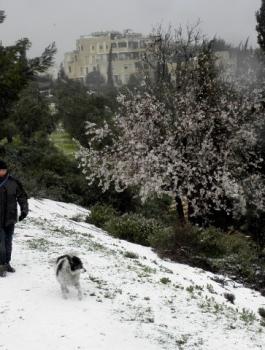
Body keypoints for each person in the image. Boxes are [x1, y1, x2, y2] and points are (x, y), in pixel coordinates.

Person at [0, 160, 28, 277]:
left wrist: (24, 210)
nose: (2, 172)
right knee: (1, 241)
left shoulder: (14, 182)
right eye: (0, 170)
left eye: (3, 169)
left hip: (10, 218)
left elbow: (22, 197)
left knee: (8, 241)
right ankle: (1, 265)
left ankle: (7, 263)